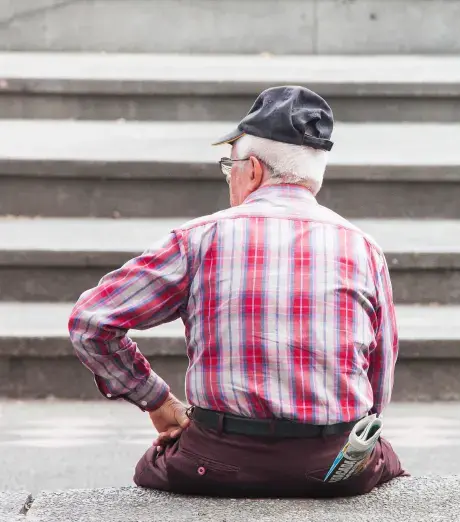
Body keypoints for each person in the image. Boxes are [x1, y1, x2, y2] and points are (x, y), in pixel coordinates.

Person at [67, 86, 407, 498]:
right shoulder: (364, 248)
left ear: (254, 170)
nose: (230, 176)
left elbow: (90, 321)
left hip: (217, 462)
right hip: (334, 465)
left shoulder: (198, 239)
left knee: (156, 462)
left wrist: (157, 400)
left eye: (230, 166)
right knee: (385, 458)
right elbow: (379, 377)